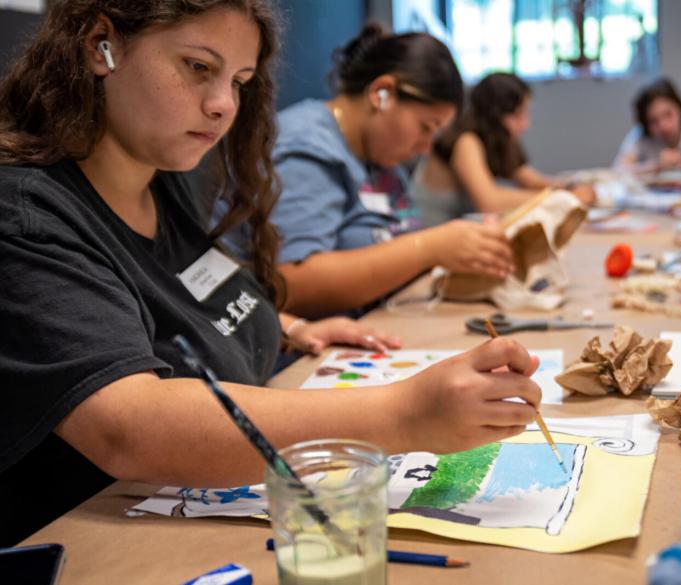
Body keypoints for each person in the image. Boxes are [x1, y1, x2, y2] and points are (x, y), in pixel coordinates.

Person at [0, 1, 542, 546]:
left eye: (238, 81)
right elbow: (128, 424)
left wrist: (280, 324)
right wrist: (404, 414)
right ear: (102, 45)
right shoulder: (27, 215)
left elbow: (178, 300)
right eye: (197, 67)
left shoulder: (157, 175)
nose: (222, 106)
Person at [216, 25, 515, 318]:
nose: (425, 148)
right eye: (425, 128)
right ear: (381, 93)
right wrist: (430, 247)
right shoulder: (306, 148)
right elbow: (291, 282)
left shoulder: (381, 162)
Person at [413, 72, 596, 227]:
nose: (525, 124)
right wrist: (562, 198)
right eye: (518, 115)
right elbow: (489, 201)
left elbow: (531, 180)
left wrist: (570, 188)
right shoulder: (466, 141)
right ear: (496, 114)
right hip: (428, 237)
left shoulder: (497, 140)